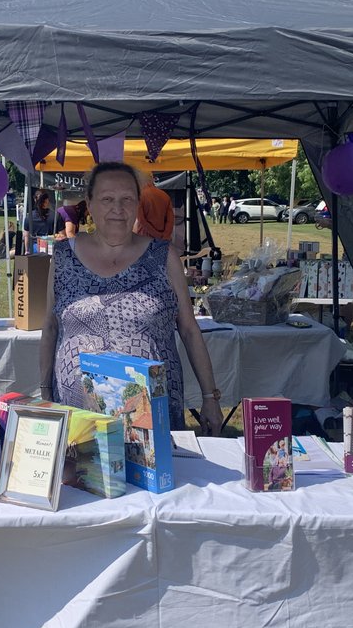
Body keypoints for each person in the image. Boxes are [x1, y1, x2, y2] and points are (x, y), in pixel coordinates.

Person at [39, 161, 224, 435]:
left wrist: (210, 398)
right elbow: (51, 326)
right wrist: (44, 391)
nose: (118, 208)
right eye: (107, 199)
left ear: (138, 203)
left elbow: (189, 329)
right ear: (89, 203)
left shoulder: (164, 256)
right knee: (81, 464)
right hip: (78, 416)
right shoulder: (64, 256)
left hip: (151, 418)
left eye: (127, 198)